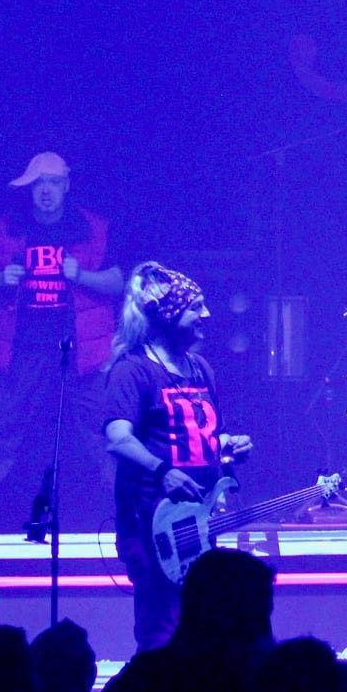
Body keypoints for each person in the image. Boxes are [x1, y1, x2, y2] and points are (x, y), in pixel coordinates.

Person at [0, 152, 122, 534]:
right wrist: (0, 279)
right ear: (29, 189)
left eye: (53, 182)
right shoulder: (5, 229)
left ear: (66, 185)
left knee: (109, 433)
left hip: (83, 351)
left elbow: (119, 281)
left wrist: (81, 275)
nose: (46, 191)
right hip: (23, 348)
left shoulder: (92, 228)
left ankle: (135, 516)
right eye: (38, 184)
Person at [102, 261, 254, 651]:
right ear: (169, 316)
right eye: (195, 307)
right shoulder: (132, 370)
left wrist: (227, 445)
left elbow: (204, 434)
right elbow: (118, 438)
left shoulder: (200, 369)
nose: (206, 315)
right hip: (153, 521)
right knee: (161, 630)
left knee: (203, 628)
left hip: (199, 521)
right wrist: (162, 471)